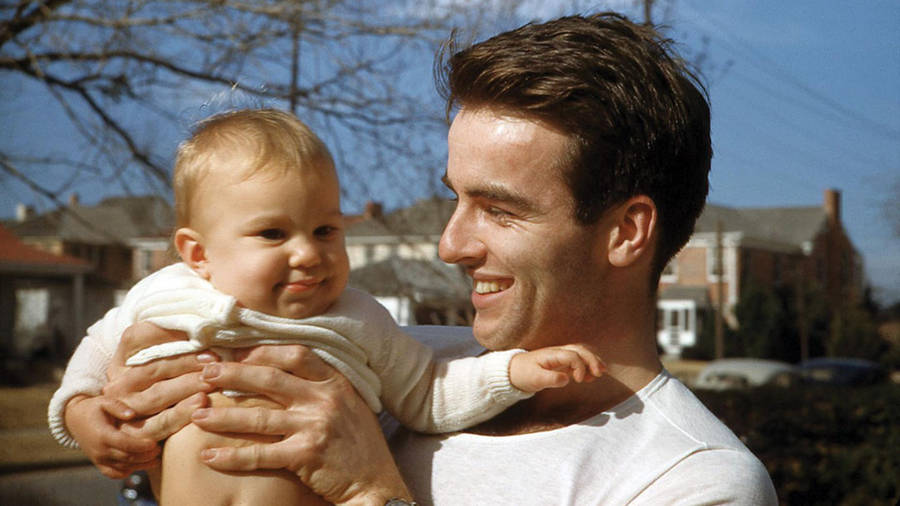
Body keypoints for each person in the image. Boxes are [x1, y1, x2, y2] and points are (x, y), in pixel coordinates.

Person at [59, 12, 779, 505]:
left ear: (627, 232)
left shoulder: (690, 481)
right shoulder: (380, 355)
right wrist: (126, 426)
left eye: (499, 209)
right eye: (454, 200)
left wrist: (371, 491)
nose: (451, 245)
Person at [48, 109, 604, 505]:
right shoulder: (165, 293)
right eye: (272, 233)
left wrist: (516, 371)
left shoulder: (357, 318)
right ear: (198, 253)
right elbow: (96, 352)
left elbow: (428, 392)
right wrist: (81, 415)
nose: (308, 253)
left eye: (325, 229)